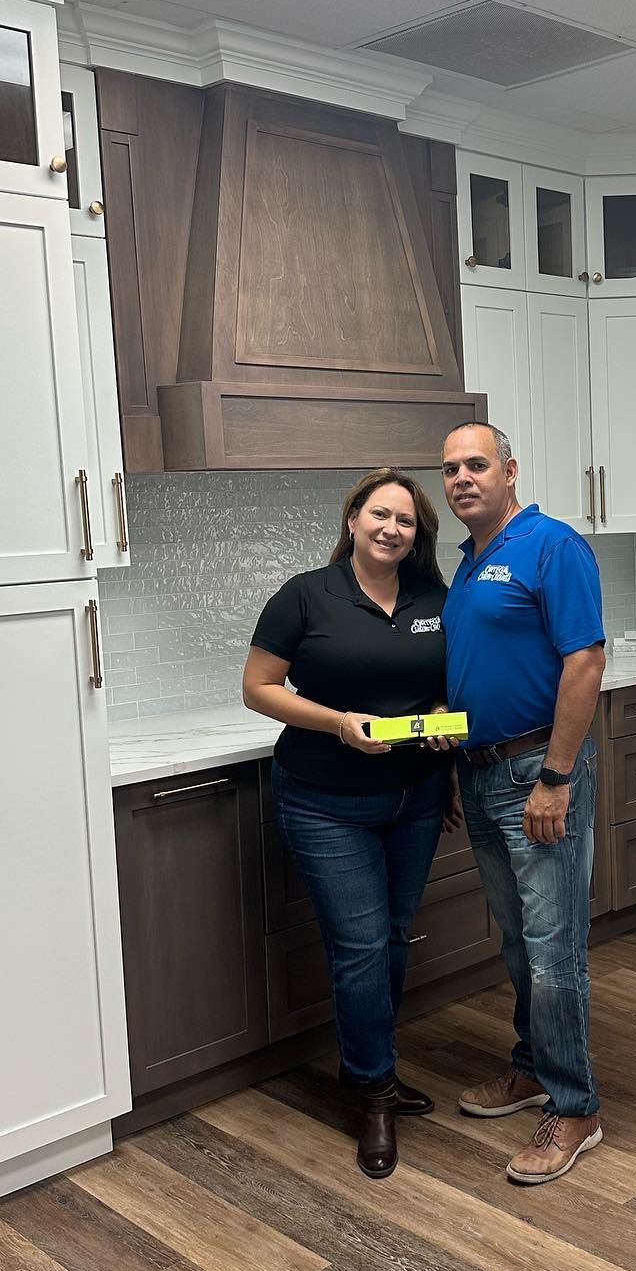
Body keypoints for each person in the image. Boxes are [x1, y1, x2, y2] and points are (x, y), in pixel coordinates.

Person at [242, 468, 454, 1180]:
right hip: (325, 801)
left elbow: (442, 687)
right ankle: (371, 1093)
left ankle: (373, 1070)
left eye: (406, 520)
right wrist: (336, 722)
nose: (392, 528)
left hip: (414, 798)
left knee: (391, 938)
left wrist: (444, 741)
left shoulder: (432, 597)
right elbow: (258, 689)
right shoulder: (306, 595)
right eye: (380, 514)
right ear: (354, 519)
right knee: (361, 947)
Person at [440, 422, 607, 1185]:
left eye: (476, 464)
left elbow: (586, 660)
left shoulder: (552, 545)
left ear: (510, 471)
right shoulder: (468, 563)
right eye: (450, 470)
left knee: (553, 946)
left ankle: (575, 1108)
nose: (462, 479)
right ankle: (533, 1066)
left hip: (535, 772)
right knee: (516, 941)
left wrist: (556, 777)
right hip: (478, 773)